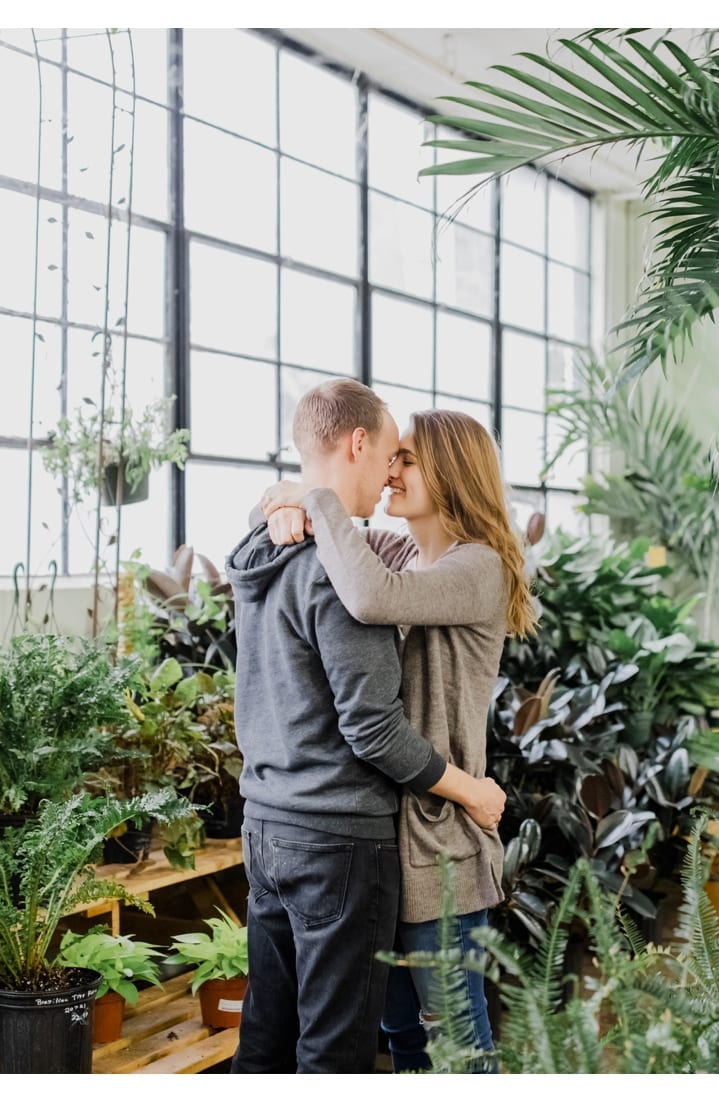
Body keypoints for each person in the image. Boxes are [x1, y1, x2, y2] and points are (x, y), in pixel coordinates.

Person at [225, 381, 507, 1075]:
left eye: (408, 460)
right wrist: (286, 499)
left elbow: (368, 592)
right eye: (392, 456)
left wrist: (313, 498)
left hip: (439, 841)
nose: (391, 471)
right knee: (401, 1038)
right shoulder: (397, 550)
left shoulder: (477, 568)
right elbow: (331, 536)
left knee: (457, 1044)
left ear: (451, 473)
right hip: (383, 830)